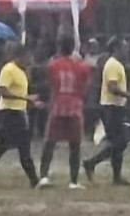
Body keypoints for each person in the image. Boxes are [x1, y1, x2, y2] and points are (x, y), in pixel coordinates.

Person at [83, 37, 130, 186]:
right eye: (124, 47)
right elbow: (112, 88)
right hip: (111, 108)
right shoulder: (112, 65)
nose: (127, 50)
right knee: (121, 141)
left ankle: (116, 177)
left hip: (116, 106)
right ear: (116, 48)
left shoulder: (117, 64)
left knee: (118, 142)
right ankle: (91, 163)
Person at [0, 43, 42, 188]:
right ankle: (34, 179)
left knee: (1, 148)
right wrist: (25, 99)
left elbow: (20, 94)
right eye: (27, 57)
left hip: (18, 113)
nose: (29, 60)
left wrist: (30, 102)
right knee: (21, 147)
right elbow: (2, 91)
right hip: (10, 114)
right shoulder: (9, 69)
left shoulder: (22, 72)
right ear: (20, 56)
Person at [38, 36, 92, 189]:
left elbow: (49, 83)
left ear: (60, 48)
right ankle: (73, 181)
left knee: (49, 142)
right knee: (74, 145)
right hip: (75, 107)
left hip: (58, 106)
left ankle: (43, 176)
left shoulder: (53, 65)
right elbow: (86, 86)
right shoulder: (82, 66)